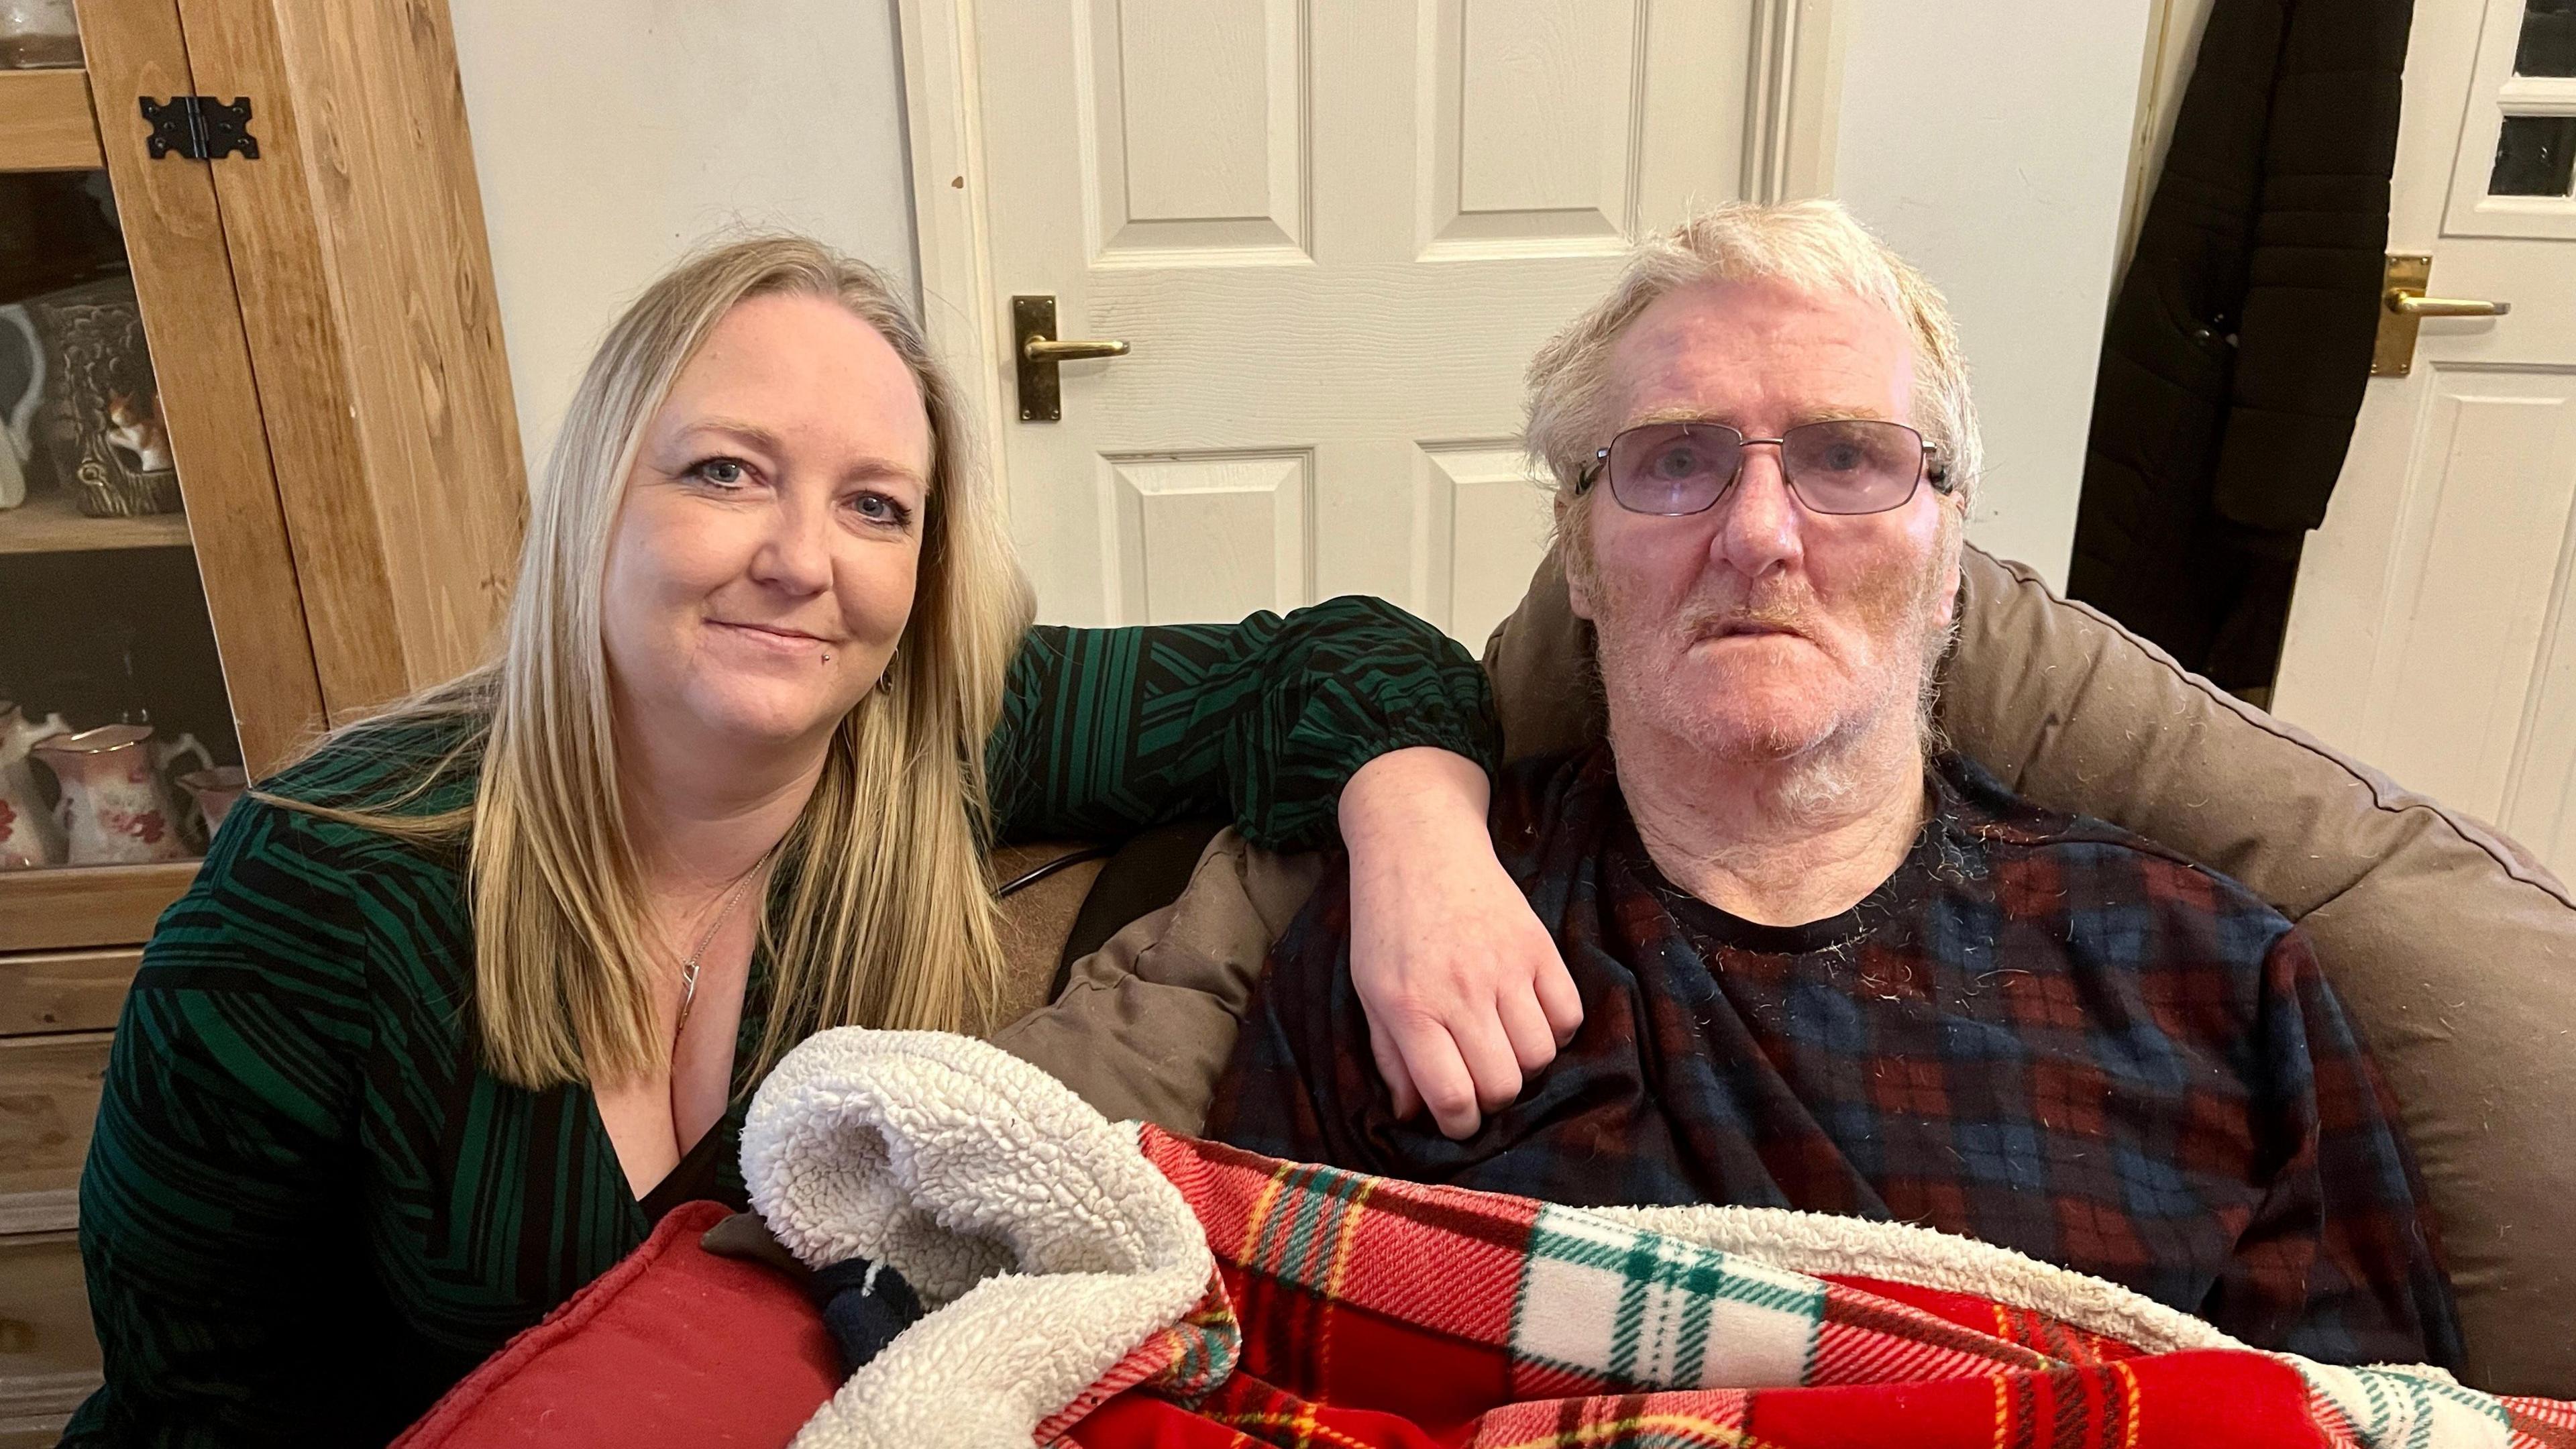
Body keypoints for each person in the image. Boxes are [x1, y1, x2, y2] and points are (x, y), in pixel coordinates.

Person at [68, 235, 1574, 1446]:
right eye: (724, 471)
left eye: (874, 505)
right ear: (596, 499)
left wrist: (1423, 848)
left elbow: (1346, 658)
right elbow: (196, 1394)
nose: (801, 562)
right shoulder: (323, 884)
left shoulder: (929, 734)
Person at [1205, 200, 2465, 1368]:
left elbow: (2378, 1424)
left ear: (1950, 552)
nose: (1759, 532)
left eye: (1848, 458)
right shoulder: (1405, 941)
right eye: (1675, 459)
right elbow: (1241, 1386)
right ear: (1578, 559)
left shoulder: (2213, 980)